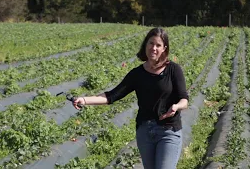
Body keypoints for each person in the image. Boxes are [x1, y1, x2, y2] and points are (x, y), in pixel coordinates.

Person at [73, 27, 189, 169]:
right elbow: (112, 96)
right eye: (151, 43)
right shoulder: (137, 74)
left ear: (164, 48)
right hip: (145, 131)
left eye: (158, 45)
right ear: (145, 45)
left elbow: (184, 99)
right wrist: (84, 100)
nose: (154, 48)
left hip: (168, 130)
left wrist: (176, 106)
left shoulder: (173, 70)